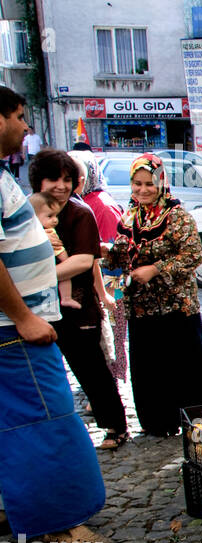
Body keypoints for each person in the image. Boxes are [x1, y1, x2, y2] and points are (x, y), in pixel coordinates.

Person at [0, 87, 111, 543]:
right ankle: (59, 524)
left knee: (16, 422)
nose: (26, 127)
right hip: (15, 331)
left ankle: (22, 508)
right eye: (20, 116)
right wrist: (24, 316)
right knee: (48, 419)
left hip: (15, 326)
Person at [102, 153, 202, 437]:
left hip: (177, 307)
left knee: (187, 365)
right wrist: (110, 255)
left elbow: (193, 255)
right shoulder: (129, 217)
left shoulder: (177, 216)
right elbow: (122, 254)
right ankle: (158, 421)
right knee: (150, 368)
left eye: (148, 184)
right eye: (137, 184)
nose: (143, 190)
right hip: (141, 308)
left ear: (161, 182)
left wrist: (155, 269)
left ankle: (199, 423)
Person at [29, 150, 130, 449]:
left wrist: (41, 277)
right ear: (39, 181)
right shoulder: (27, 211)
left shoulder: (79, 212)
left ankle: (115, 425)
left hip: (78, 305)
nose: (61, 185)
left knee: (92, 370)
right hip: (37, 307)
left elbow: (86, 261)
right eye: (53, 179)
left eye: (67, 179)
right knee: (43, 375)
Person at [70, 149, 127, 385]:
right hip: (93, 284)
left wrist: (109, 294)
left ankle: (110, 381)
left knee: (112, 337)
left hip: (108, 283)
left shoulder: (101, 205)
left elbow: (115, 252)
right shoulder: (81, 202)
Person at [28, 192, 80, 310]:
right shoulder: (48, 233)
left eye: (56, 215)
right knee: (66, 276)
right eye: (50, 216)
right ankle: (66, 298)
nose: (55, 220)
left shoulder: (30, 233)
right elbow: (61, 254)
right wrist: (66, 260)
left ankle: (65, 298)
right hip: (50, 268)